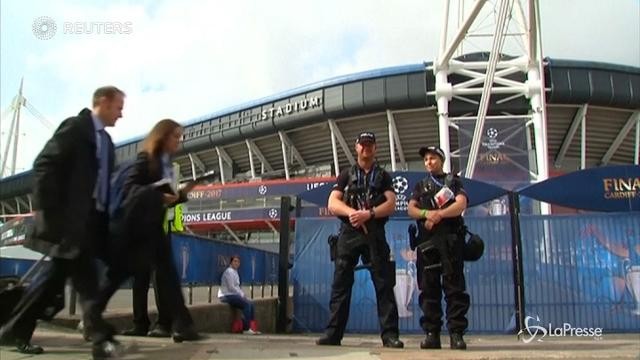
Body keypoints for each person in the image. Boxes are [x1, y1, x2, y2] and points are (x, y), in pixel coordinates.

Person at [0, 86, 125, 358]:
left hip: (90, 224)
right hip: (68, 223)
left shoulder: (108, 144)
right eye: (118, 107)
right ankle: (101, 340)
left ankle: (14, 330)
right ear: (102, 103)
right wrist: (48, 212)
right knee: (79, 283)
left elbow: (103, 187)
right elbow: (44, 165)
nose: (121, 114)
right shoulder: (76, 128)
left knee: (59, 283)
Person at [94, 119, 200, 343]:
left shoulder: (165, 164)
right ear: (162, 137)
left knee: (167, 276)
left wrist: (181, 194)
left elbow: (164, 199)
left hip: (153, 228)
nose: (178, 143)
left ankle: (183, 324)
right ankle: (92, 313)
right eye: (175, 137)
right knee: (119, 274)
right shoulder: (146, 159)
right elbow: (130, 190)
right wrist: (160, 195)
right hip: (135, 228)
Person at [316, 131, 404, 348]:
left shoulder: (383, 176)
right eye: (362, 145)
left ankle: (390, 335)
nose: (366, 148)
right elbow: (333, 203)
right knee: (341, 284)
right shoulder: (346, 174)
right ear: (356, 148)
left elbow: (391, 204)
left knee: (383, 284)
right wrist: (352, 213)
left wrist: (370, 214)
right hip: (349, 232)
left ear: (375, 148)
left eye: (370, 145)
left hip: (374, 233)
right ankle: (333, 334)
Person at [407, 145, 470, 350]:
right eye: (426, 159)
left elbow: (460, 204)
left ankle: (456, 334)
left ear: (441, 160)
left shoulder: (453, 182)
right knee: (428, 290)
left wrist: (439, 215)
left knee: (455, 290)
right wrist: (426, 214)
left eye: (432, 158)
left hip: (451, 244)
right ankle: (432, 334)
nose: (428, 162)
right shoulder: (420, 185)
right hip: (427, 246)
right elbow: (411, 209)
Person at [218, 256, 261, 335]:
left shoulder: (235, 272)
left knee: (251, 304)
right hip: (226, 295)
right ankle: (246, 328)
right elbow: (231, 287)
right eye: (234, 261)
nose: (236, 263)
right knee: (246, 304)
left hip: (234, 294)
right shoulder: (229, 272)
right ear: (231, 262)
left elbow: (237, 287)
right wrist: (241, 294)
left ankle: (252, 327)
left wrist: (242, 294)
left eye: (238, 262)